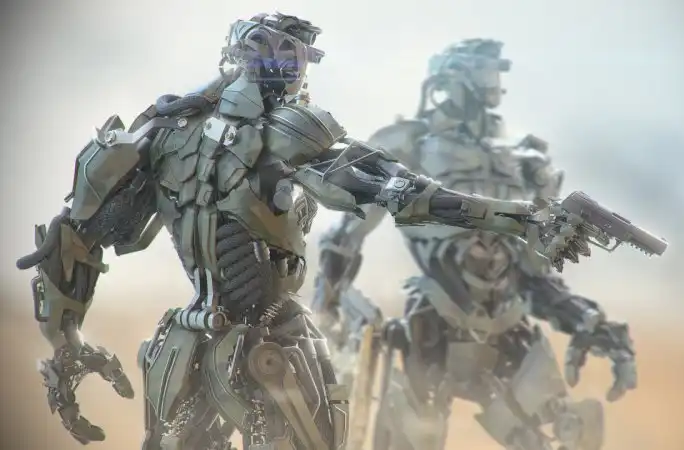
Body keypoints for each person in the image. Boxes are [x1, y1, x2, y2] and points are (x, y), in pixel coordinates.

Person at [14, 16, 621, 450]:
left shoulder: (165, 134)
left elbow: (72, 237)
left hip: (183, 343)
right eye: (291, 56)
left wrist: (65, 344)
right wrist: (523, 218)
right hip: (270, 347)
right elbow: (404, 193)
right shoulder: (283, 133)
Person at [313, 39, 656, 450]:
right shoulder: (408, 143)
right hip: (436, 320)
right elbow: (345, 234)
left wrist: (587, 322)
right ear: (452, 79)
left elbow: (535, 271)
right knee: (415, 433)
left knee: (567, 431)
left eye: (495, 72)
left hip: (508, 324)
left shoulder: (525, 157)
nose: (491, 83)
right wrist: (330, 309)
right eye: (483, 71)